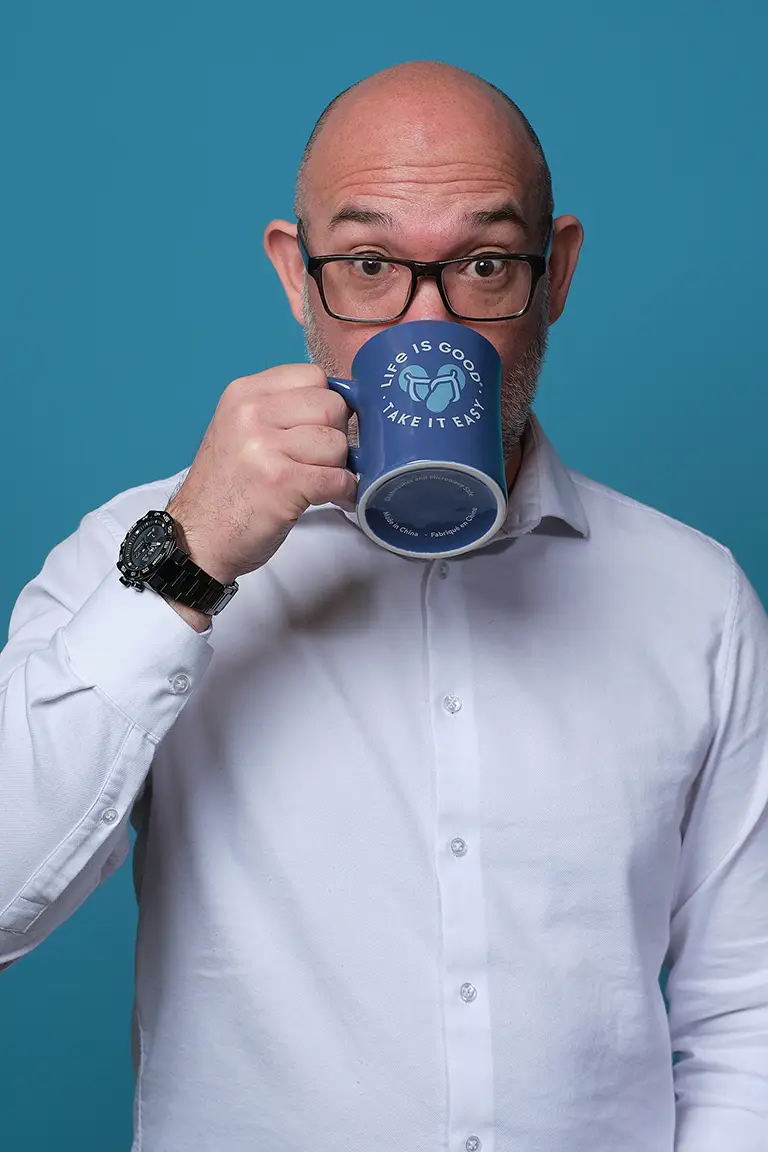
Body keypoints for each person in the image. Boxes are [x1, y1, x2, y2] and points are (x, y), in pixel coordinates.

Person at [1, 60, 766, 1152]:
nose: (429, 319)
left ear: (555, 278)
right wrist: (188, 565)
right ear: (294, 276)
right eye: (368, 264)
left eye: (486, 264)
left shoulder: (696, 601)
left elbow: (750, 1016)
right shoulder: (138, 549)